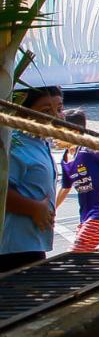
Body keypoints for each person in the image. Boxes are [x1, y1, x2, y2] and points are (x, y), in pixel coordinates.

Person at [1, 87, 59, 272]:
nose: (56, 116)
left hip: (33, 242)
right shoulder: (15, 144)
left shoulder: (40, 141)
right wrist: (33, 208)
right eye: (46, 111)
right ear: (22, 112)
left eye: (59, 108)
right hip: (12, 247)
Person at [55, 110, 99, 252]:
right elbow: (65, 188)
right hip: (85, 213)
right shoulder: (65, 159)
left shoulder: (89, 151)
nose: (53, 137)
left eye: (57, 131)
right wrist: (52, 209)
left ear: (73, 132)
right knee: (85, 251)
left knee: (75, 252)